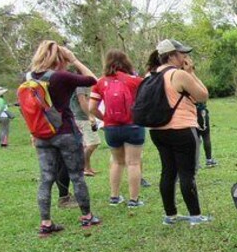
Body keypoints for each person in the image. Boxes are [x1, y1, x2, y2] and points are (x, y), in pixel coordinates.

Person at [27, 40, 100, 236]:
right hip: (66, 132)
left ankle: (46, 223)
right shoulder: (61, 77)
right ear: (61, 58)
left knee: (46, 179)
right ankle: (86, 217)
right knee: (76, 175)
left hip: (42, 134)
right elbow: (93, 80)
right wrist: (74, 59)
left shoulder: (30, 78)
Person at [146, 39, 212, 226]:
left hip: (157, 130)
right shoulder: (178, 75)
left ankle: (170, 215)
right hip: (182, 129)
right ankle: (195, 216)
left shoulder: (150, 75)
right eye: (182, 53)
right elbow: (203, 96)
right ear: (172, 56)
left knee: (167, 172)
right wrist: (190, 73)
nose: (185, 57)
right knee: (186, 173)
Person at [89, 50, 145, 208]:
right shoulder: (135, 81)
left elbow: (91, 107)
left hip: (111, 127)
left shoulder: (100, 83)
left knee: (116, 162)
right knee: (133, 163)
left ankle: (114, 197)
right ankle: (133, 200)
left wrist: (104, 118)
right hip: (133, 125)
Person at [70, 86, 100, 176]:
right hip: (82, 118)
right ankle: (84, 167)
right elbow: (82, 100)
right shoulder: (80, 86)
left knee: (85, 144)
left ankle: (87, 167)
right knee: (93, 143)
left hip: (79, 117)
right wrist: (90, 115)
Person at [196, 100, 217, 168]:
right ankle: (209, 160)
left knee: (195, 139)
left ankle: (196, 162)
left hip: (191, 114)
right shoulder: (200, 90)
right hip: (202, 113)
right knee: (206, 136)